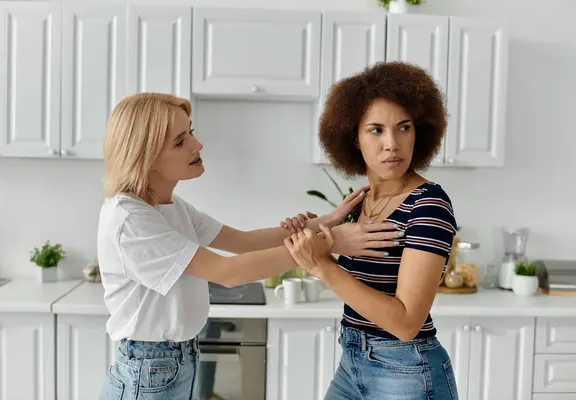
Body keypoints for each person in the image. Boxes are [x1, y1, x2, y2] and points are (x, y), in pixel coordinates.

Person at [96, 92, 403, 400]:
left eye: (190, 132)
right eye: (180, 142)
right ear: (146, 157)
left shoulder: (170, 206)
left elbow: (244, 242)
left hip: (174, 362)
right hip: (148, 369)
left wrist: (328, 221)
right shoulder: (130, 218)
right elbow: (227, 272)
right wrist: (328, 244)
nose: (197, 144)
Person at [282, 61, 460, 399]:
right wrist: (314, 230)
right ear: (355, 138)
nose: (392, 143)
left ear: (419, 132)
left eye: (403, 128)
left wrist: (322, 266)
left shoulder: (429, 203)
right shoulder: (361, 202)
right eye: (376, 130)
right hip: (352, 359)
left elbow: (406, 324)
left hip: (406, 371)